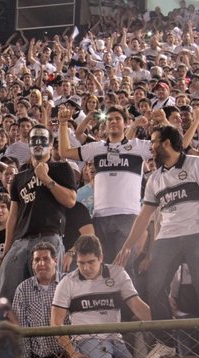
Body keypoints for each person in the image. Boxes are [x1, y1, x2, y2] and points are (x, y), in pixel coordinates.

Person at [115, 125, 199, 358]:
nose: (151, 146)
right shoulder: (154, 178)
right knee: (154, 287)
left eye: (154, 141)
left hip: (197, 232)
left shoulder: (198, 164)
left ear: (166, 143)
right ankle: (165, 343)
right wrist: (126, 246)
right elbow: (144, 216)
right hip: (166, 237)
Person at [59, 105, 154, 264]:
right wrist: (62, 124)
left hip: (128, 216)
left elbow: (170, 147)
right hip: (100, 217)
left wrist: (162, 122)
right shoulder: (97, 148)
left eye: (118, 118)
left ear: (126, 123)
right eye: (109, 119)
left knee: (125, 269)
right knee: (102, 268)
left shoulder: (138, 146)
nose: (113, 122)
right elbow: (64, 152)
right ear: (105, 124)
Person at [0, 125, 76, 301]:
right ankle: (9, 329)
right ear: (29, 145)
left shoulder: (62, 168)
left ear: (51, 145)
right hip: (20, 242)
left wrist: (46, 179)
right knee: (8, 296)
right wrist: (6, 249)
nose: (38, 143)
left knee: (49, 296)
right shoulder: (18, 178)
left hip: (49, 238)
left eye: (43, 140)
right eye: (34, 140)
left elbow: (70, 201)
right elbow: (13, 217)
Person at [12, 241, 76, 358]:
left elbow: (82, 318)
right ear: (32, 264)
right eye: (37, 260)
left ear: (55, 261)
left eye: (46, 259)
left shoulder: (70, 283)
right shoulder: (23, 289)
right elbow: (20, 330)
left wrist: (72, 349)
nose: (41, 263)